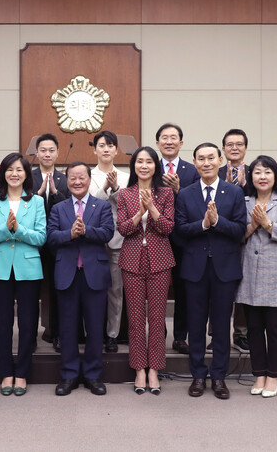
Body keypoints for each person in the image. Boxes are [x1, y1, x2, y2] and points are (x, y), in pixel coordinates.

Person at [174, 142, 246, 400]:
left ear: (220, 161)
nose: (206, 163)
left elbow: (240, 230)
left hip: (224, 269)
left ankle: (218, 376)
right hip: (194, 269)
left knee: (221, 325)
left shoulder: (234, 192)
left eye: (210, 158)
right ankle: (197, 375)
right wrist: (203, 225)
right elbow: (180, 231)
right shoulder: (185, 194)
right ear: (195, 163)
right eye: (201, 159)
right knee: (195, 325)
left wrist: (218, 222)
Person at [47, 162, 114, 396]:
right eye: (72, 178)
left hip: (94, 274)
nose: (77, 182)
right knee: (67, 328)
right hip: (67, 274)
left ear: (89, 179)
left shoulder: (102, 206)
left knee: (95, 328)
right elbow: (51, 236)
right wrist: (70, 234)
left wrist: (86, 231)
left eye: (81, 177)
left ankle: (93, 375)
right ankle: (69, 375)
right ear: (67, 181)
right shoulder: (59, 208)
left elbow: (108, 233)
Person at [0, 153, 46, 396]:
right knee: (4, 322)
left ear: (26, 174)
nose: (14, 174)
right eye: (9, 169)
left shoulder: (36, 201)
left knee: (28, 324)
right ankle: (6, 371)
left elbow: (41, 237)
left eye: (19, 169)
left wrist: (18, 230)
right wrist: (5, 228)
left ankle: (22, 373)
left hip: (28, 268)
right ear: (3, 174)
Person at [236, 155, 277, 398]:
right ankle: (259, 374)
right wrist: (253, 225)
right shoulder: (244, 201)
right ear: (250, 176)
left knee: (275, 330)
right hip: (249, 275)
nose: (262, 177)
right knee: (253, 329)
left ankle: (273, 376)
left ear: (275, 176)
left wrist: (267, 223)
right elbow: (236, 236)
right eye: (257, 172)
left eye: (267, 172)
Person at [117, 146, 175, 394]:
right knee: (136, 319)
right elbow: (123, 229)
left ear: (155, 166)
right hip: (131, 260)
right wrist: (139, 212)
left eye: (149, 162)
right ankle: (140, 368)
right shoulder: (125, 194)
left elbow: (167, 227)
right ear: (134, 166)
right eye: (139, 161)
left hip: (160, 260)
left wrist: (151, 208)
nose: (143, 166)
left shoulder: (166, 193)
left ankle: (155, 369)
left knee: (157, 317)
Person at [155, 123, 199, 355]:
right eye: (165, 137)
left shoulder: (192, 170)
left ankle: (180, 337)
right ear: (157, 143)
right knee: (157, 289)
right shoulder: (150, 167)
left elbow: (197, 205)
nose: (169, 141)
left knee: (183, 289)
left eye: (174, 137)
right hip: (156, 236)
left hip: (183, 238)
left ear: (181, 143)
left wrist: (179, 190)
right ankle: (158, 334)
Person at [89, 131, 129, 353]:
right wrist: (106, 188)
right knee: (92, 290)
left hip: (117, 240)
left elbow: (128, 205)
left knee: (115, 291)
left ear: (116, 150)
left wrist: (116, 189)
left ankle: (112, 335)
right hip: (92, 240)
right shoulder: (86, 174)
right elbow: (89, 203)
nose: (106, 149)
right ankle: (93, 333)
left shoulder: (126, 177)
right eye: (102, 145)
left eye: (110, 145)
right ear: (94, 149)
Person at [31, 133, 69, 352]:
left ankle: (56, 332)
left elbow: (68, 209)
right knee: (32, 290)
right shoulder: (28, 176)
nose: (47, 154)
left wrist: (54, 192)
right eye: (43, 150)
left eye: (51, 150)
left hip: (57, 242)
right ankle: (30, 335)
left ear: (57, 153)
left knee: (57, 289)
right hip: (32, 242)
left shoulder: (65, 179)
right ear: (37, 153)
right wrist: (38, 194)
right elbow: (22, 204)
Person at [218, 128, 252, 352]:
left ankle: (241, 334)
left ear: (246, 148)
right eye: (230, 144)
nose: (234, 148)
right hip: (220, 237)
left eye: (239, 144)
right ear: (223, 149)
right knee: (217, 288)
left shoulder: (255, 171)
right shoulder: (215, 170)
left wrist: (244, 185)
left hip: (248, 236)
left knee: (243, 287)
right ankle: (216, 334)